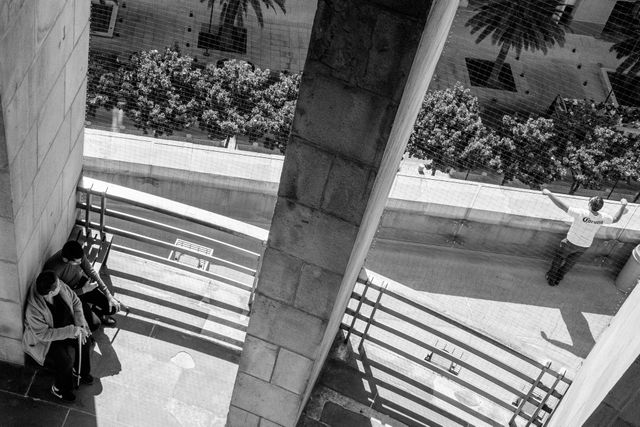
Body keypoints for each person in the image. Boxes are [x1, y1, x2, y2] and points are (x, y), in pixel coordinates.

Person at [23, 271, 93, 402]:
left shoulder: (57, 285)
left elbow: (76, 302)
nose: (61, 285)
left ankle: (80, 372)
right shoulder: (33, 310)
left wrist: (80, 325)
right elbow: (44, 334)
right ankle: (60, 388)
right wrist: (71, 331)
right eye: (58, 286)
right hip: (47, 340)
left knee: (85, 341)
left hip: (68, 328)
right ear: (50, 293)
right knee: (65, 361)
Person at [542, 189, 628, 286]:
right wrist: (623, 206)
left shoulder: (581, 213)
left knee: (559, 258)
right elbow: (615, 219)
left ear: (590, 204)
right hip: (584, 246)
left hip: (570, 242)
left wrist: (549, 194)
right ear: (600, 207)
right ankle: (558, 278)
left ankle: (551, 278)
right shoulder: (602, 217)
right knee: (570, 263)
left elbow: (562, 206)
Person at [43, 240, 121, 330]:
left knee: (113, 307)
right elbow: (62, 295)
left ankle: (96, 312)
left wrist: (108, 294)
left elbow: (91, 272)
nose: (80, 263)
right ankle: (92, 313)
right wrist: (83, 290)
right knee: (95, 325)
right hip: (71, 293)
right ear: (65, 260)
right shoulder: (54, 270)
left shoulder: (77, 254)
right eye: (77, 262)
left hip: (82, 283)